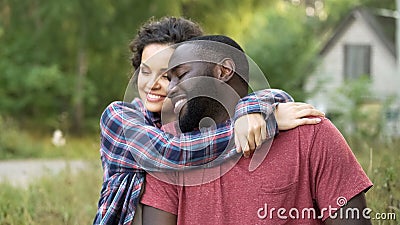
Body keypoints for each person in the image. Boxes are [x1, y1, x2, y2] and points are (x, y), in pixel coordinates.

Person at [94, 17, 324, 225]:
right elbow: (171, 152)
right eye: (145, 71)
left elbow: (268, 97)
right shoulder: (119, 117)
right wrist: (263, 123)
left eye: (167, 75)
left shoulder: (196, 122)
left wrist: (252, 110)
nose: (152, 84)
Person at [140, 35, 373, 224]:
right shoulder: (168, 150)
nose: (170, 89)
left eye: (180, 75)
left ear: (223, 71)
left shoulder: (311, 132)